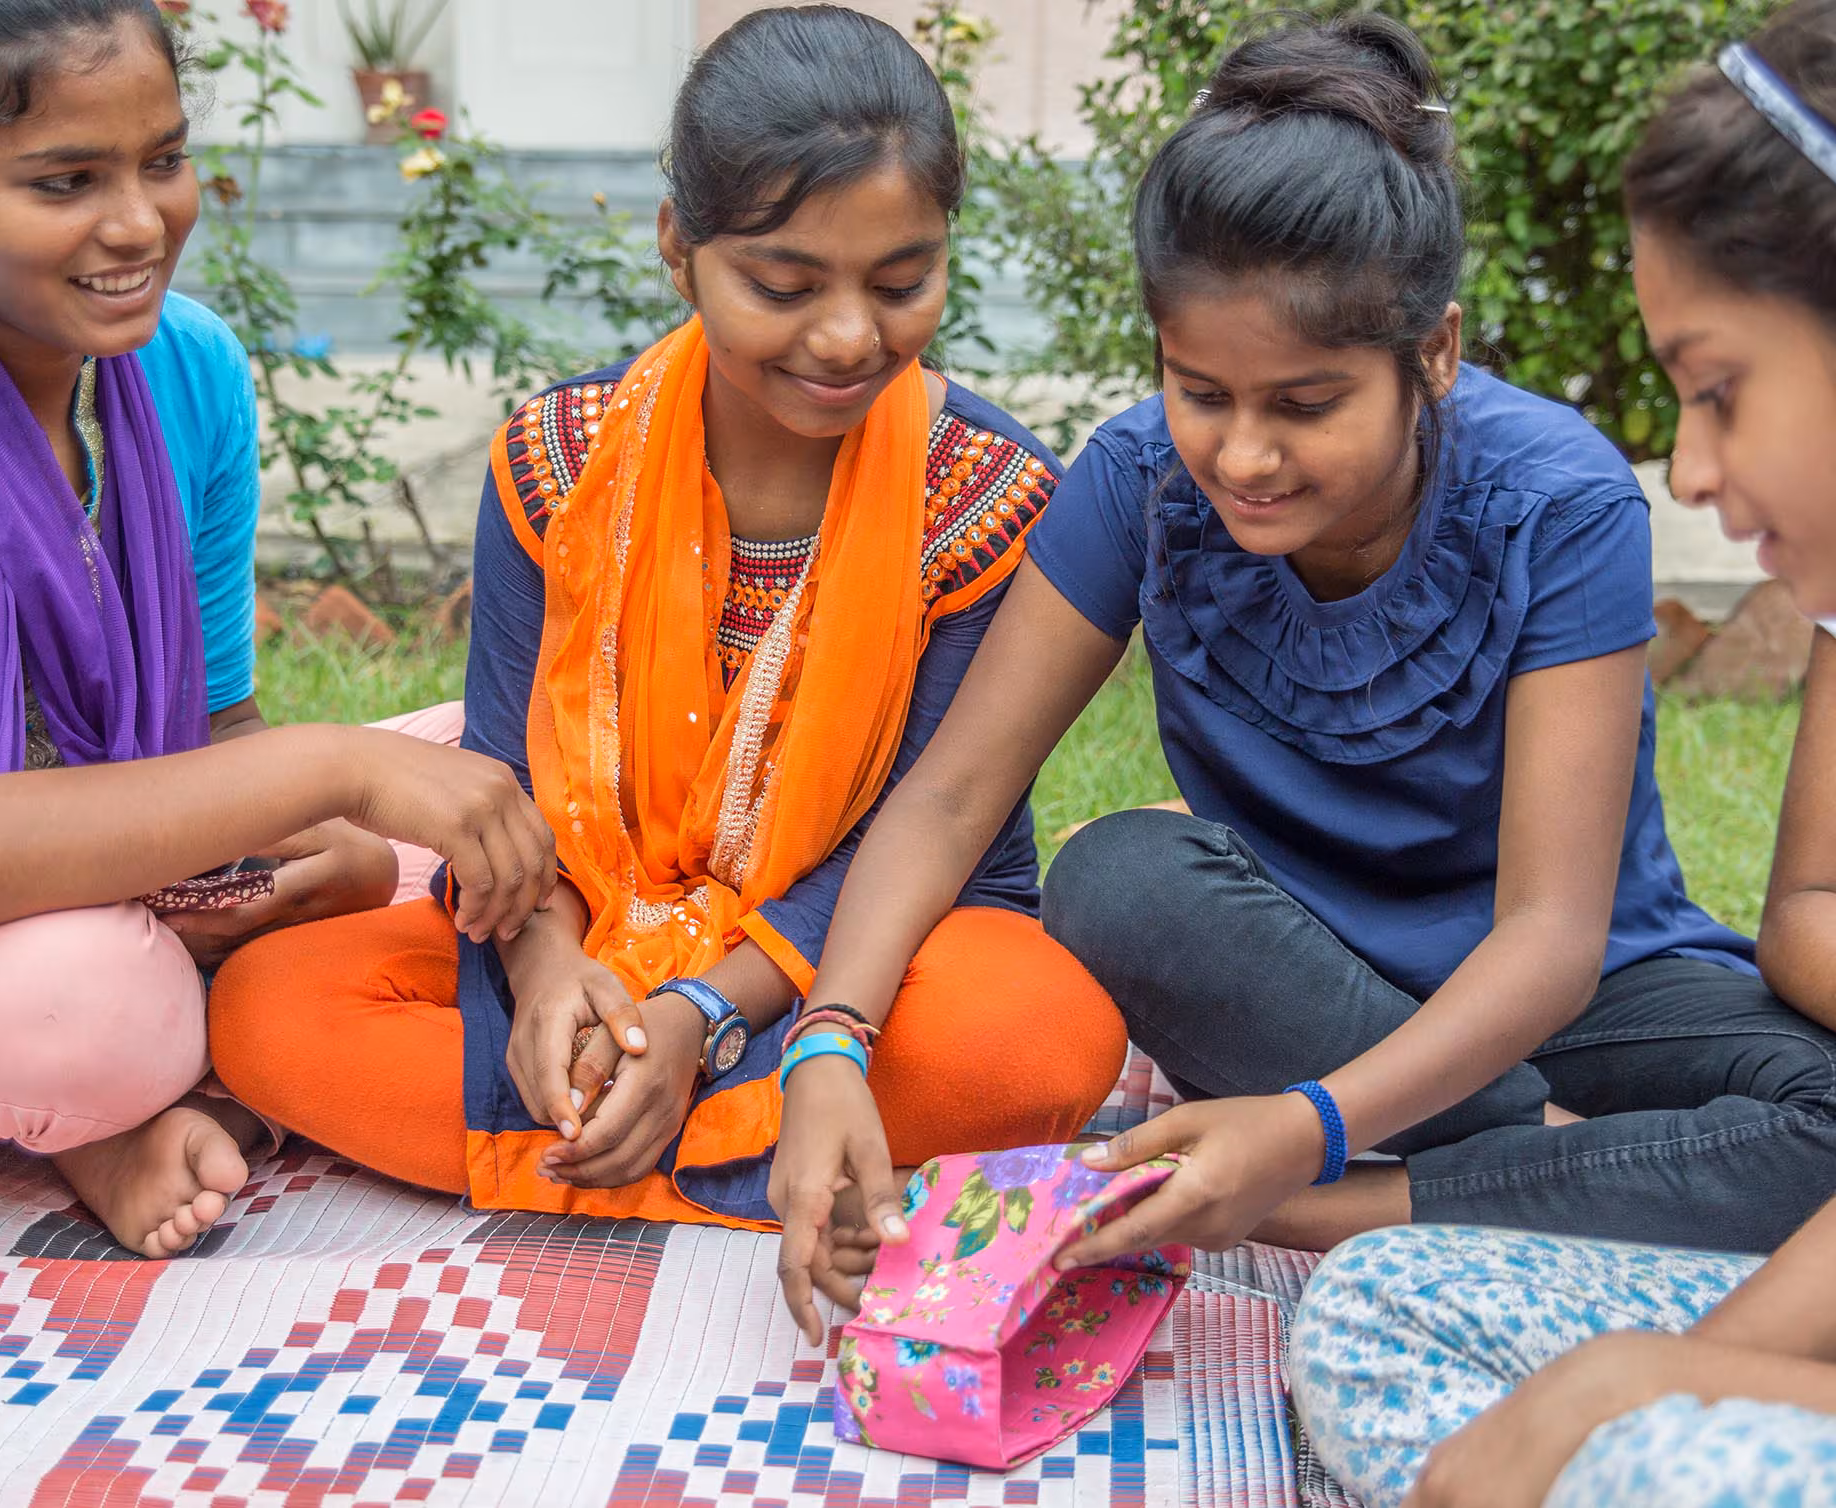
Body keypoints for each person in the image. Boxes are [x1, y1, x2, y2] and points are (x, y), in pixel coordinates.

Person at [766, 9, 1836, 1344]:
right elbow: (949, 798)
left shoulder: (1555, 498)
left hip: (1576, 992)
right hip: (1300, 978)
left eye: (1307, 405)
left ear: (1432, 356)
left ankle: (1305, 1203)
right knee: (1120, 878)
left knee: (1826, 1117)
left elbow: (1552, 937)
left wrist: (1308, 1132)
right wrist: (829, 1043)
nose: (1245, 456)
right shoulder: (1137, 480)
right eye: (1201, 391)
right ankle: (1565, 1168)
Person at [205, 4, 1129, 1226]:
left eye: (902, 281)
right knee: (269, 1003)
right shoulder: (557, 456)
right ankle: (695, 1127)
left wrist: (708, 1015)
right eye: (783, 284)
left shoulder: (985, 491)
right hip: (582, 923)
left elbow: (931, 821)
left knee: (1035, 1040)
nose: (851, 335)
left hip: (868, 962)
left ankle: (578, 1131)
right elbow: (508, 774)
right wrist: (545, 976)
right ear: (675, 247)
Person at [0, 0, 553, 1259]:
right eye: (65, 180)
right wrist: (336, 771)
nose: (135, 224)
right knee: (94, 1002)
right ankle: (124, 1098)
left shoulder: (189, 371)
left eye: (160, 162)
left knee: (504, 763)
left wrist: (305, 856)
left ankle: (184, 1065)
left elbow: (218, 733)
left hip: (90, 884)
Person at [1292, 4, 1836, 1503]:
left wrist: (1649, 1393)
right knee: (1378, 1312)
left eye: (1718, 389)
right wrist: (1658, 1374)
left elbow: (1567, 933)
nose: (1698, 467)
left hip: (1628, 1020)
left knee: (1671, 1452)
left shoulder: (1553, 500)